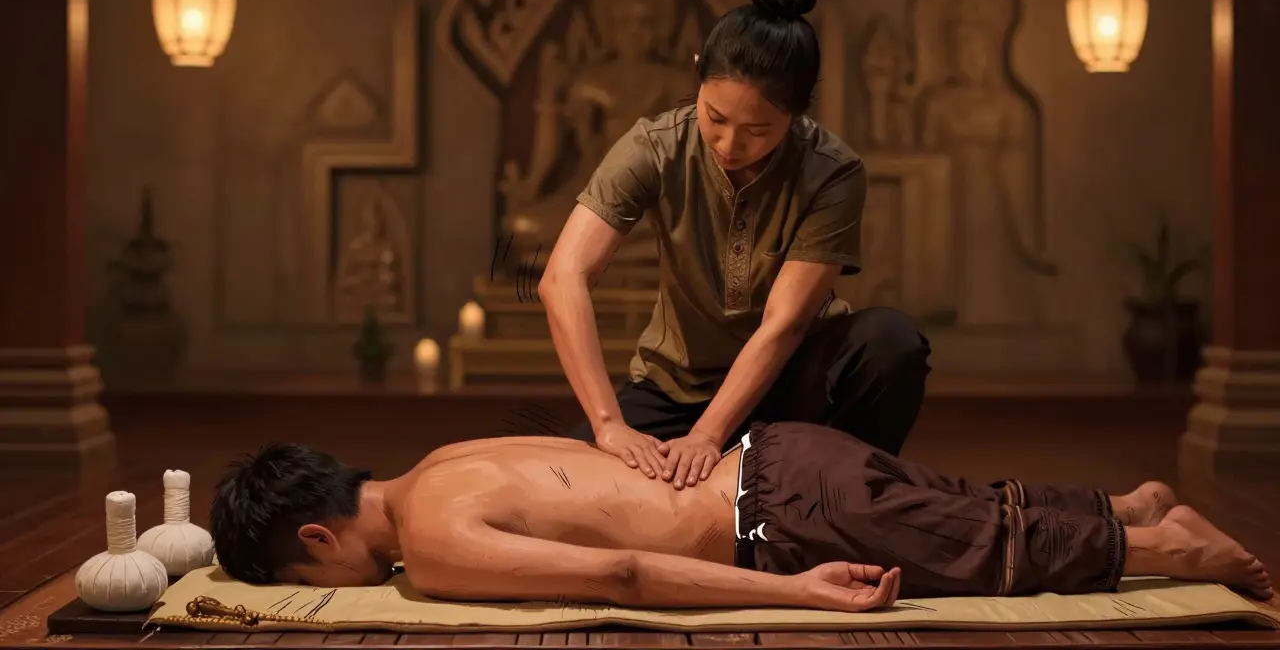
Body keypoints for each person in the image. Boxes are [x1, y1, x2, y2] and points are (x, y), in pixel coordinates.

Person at [539, 0, 931, 493]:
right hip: (675, 389)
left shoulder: (832, 171)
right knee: (565, 486)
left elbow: (784, 324)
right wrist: (610, 426)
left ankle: (850, 504)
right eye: (715, 117)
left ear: (796, 110)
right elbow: (563, 276)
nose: (728, 143)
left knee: (890, 343)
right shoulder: (654, 147)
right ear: (699, 73)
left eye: (758, 131)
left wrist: (708, 438)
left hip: (791, 383)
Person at [209, 423, 1273, 612]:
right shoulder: (444, 461)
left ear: (316, 538)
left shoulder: (432, 550)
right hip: (782, 452)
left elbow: (623, 581)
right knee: (953, 503)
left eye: (308, 581)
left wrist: (787, 590)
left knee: (971, 549)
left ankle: (1160, 545)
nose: (332, 593)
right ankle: (1123, 506)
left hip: (776, 514)